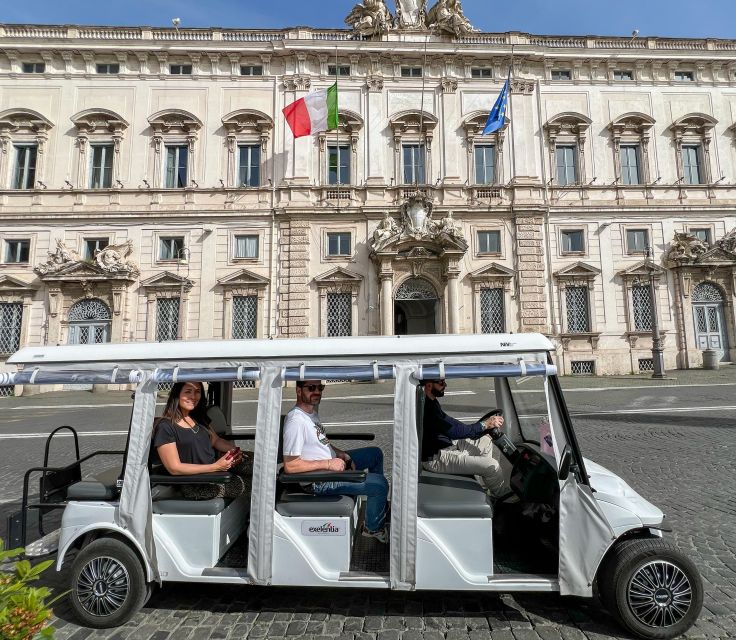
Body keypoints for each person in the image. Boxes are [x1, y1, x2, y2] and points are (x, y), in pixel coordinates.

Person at [282, 380, 390, 543]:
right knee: (379, 485)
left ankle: (376, 508)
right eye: (311, 388)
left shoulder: (310, 414)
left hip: (330, 465)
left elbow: (321, 441)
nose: (317, 391)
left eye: (320, 387)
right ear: (298, 390)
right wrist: (328, 464)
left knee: (375, 454)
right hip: (318, 480)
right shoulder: (296, 421)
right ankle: (372, 529)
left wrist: (340, 454)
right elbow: (290, 466)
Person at [151, 381, 253, 500]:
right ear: (176, 394)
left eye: (197, 392)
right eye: (188, 392)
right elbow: (174, 468)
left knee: (259, 464)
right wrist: (215, 467)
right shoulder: (165, 427)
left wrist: (234, 451)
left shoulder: (198, 418)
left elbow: (215, 440)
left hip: (214, 474)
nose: (193, 396)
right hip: (196, 485)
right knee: (257, 484)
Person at [421, 378, 507, 496]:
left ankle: (483, 487)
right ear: (429, 385)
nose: (445, 384)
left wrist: (479, 429)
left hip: (447, 446)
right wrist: (484, 424)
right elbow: (454, 432)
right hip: (436, 458)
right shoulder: (428, 409)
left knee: (486, 441)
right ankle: (504, 500)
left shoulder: (431, 401)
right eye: (441, 383)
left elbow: (451, 422)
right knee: (493, 467)